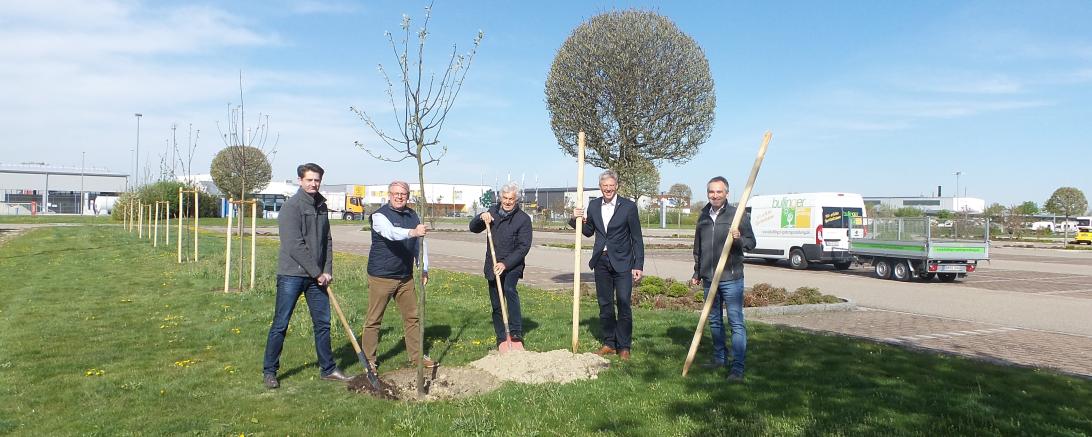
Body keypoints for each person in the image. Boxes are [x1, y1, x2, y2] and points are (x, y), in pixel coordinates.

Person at [262, 163, 352, 389]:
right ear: (300, 180)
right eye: (309, 180)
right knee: (281, 324)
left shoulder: (321, 205)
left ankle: (328, 369)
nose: (313, 183)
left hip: (318, 277)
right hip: (292, 275)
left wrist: (327, 270)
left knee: (323, 324)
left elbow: (327, 241)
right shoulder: (291, 207)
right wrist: (317, 271)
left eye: (317, 180)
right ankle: (269, 371)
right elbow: (294, 245)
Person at [569, 170, 645, 360]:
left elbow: (637, 238)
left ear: (616, 186)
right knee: (605, 304)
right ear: (601, 187)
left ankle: (624, 346)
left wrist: (638, 265)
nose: (608, 189)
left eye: (611, 186)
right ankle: (609, 343)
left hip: (623, 263)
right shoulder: (594, 205)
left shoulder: (628, 207)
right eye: (605, 186)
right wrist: (575, 218)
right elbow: (587, 231)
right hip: (601, 262)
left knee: (624, 303)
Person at [362, 181, 435, 369]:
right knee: (374, 320)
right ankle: (369, 360)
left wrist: (423, 267)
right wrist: (413, 232)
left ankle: (417, 357)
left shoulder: (412, 215)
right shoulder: (379, 216)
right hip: (382, 276)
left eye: (403, 194)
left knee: (412, 317)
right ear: (389, 194)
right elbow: (390, 233)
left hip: (405, 277)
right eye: (396, 193)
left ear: (408, 195)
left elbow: (421, 243)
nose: (399, 196)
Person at [690, 176, 756, 382]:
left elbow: (751, 243)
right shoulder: (703, 215)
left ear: (726, 193)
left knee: (736, 322)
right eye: (711, 192)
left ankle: (737, 368)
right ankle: (719, 359)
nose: (715, 195)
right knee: (715, 321)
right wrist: (697, 272)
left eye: (719, 192)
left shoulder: (737, 215)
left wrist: (738, 238)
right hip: (710, 277)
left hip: (731, 277)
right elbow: (698, 248)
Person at [469, 182, 533, 347]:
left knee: (509, 290)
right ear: (500, 198)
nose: (507, 201)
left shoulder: (523, 219)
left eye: (511, 199)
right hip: (493, 264)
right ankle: (501, 337)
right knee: (497, 302)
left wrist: (505, 264)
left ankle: (516, 332)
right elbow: (473, 228)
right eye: (505, 198)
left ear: (516, 200)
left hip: (512, 264)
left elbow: (523, 247)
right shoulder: (491, 213)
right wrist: (480, 217)